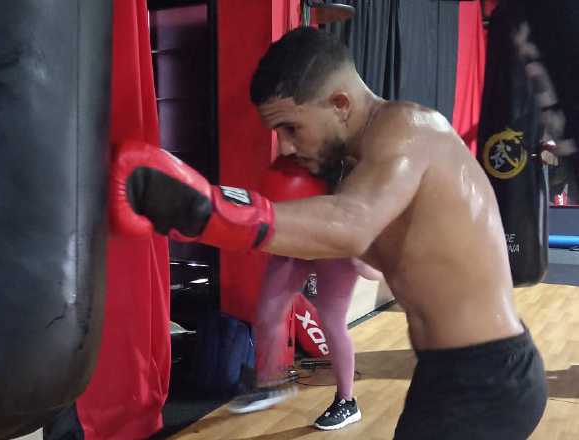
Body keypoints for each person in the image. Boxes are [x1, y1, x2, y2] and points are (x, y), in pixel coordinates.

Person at [111, 27, 547, 438]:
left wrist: (210, 209)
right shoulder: (360, 166)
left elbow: (352, 226)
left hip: (487, 377)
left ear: (340, 103)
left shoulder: (408, 129)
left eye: (291, 128)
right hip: (449, 372)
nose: (284, 146)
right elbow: (371, 256)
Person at [226, 157, 382, 431]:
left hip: (334, 244)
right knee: (268, 310)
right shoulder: (297, 153)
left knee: (332, 322)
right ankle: (270, 383)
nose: (288, 141)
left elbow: (370, 212)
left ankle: (347, 401)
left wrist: (371, 256)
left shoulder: (353, 159)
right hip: (297, 237)